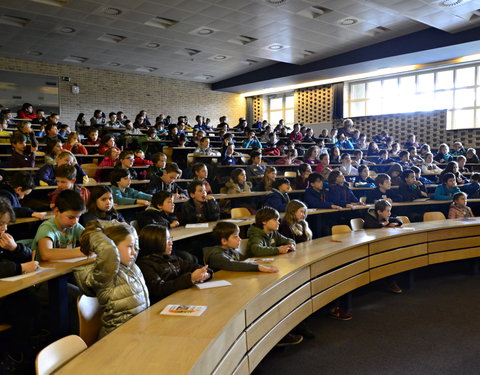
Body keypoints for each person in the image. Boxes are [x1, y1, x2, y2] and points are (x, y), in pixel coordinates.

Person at [75, 221, 149, 338]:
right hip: (116, 337)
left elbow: (132, 237)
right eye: (129, 247)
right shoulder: (106, 274)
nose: (134, 251)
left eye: (134, 246)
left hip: (136, 332)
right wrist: (93, 231)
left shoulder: (131, 267)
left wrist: (123, 227)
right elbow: (107, 251)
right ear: (114, 248)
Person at [137, 224, 212, 304]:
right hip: (163, 304)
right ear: (154, 242)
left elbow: (193, 266)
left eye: (170, 238)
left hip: (181, 299)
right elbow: (159, 290)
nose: (171, 243)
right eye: (167, 240)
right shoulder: (145, 265)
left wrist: (205, 274)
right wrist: (191, 278)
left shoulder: (172, 258)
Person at [203, 221, 278, 273]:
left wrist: (257, 261)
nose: (240, 239)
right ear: (224, 241)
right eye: (235, 237)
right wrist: (258, 267)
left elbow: (238, 263)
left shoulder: (231, 250)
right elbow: (232, 264)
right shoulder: (216, 255)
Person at [32, 190, 86, 261]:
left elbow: (93, 240)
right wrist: (81, 251)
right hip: (46, 270)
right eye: (70, 217)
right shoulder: (46, 228)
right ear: (56, 211)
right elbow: (46, 254)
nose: (75, 222)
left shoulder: (75, 226)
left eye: (78, 217)